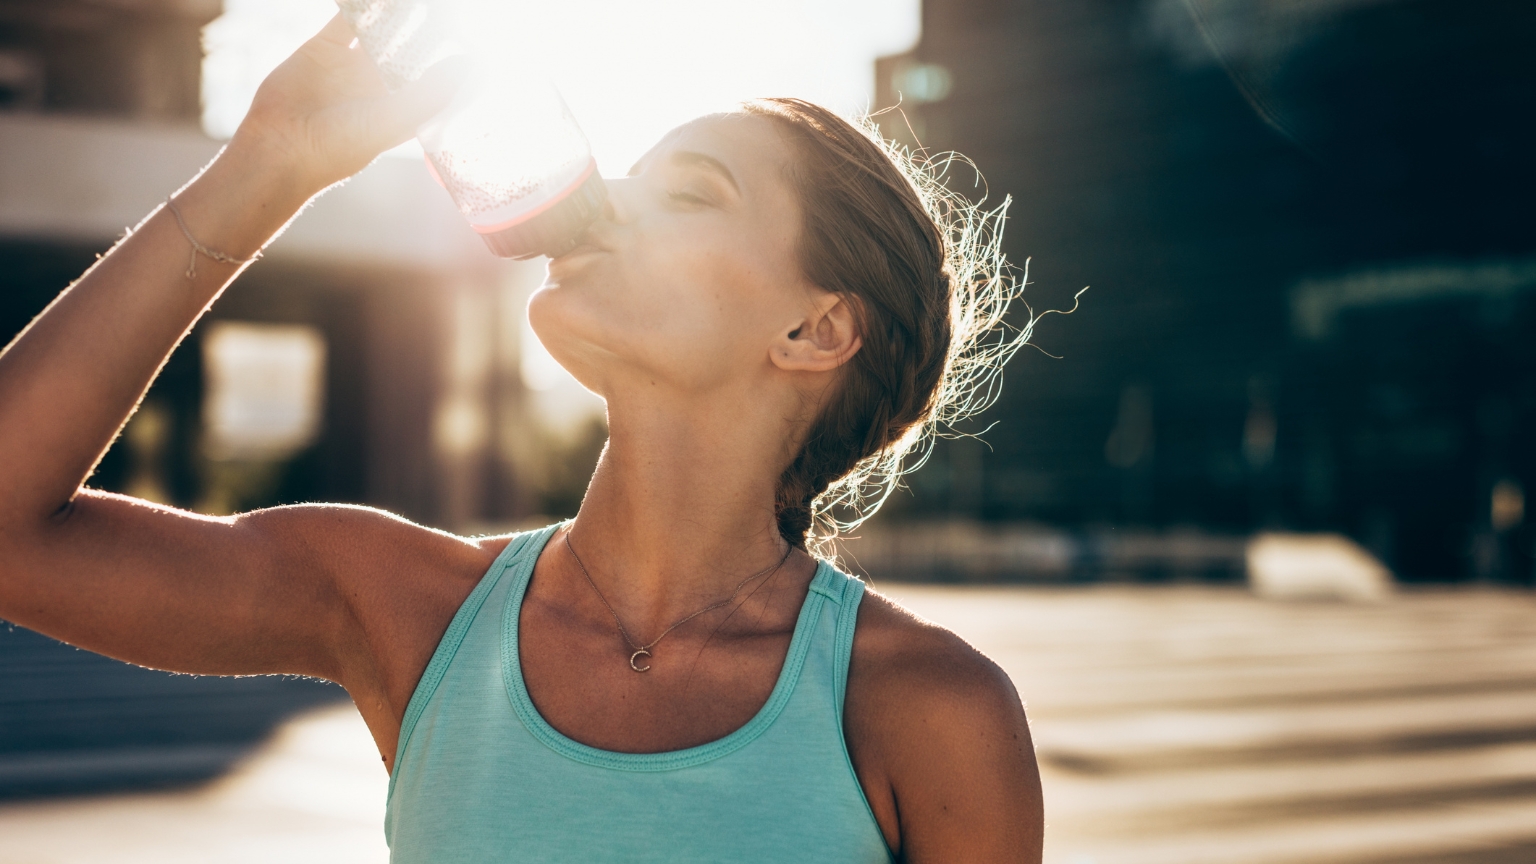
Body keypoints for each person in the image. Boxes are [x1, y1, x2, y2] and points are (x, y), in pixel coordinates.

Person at [0, 16, 1043, 863]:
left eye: (690, 192)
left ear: (815, 331)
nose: (611, 199)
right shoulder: (406, 608)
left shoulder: (928, 710)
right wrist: (269, 164)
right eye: (632, 169)